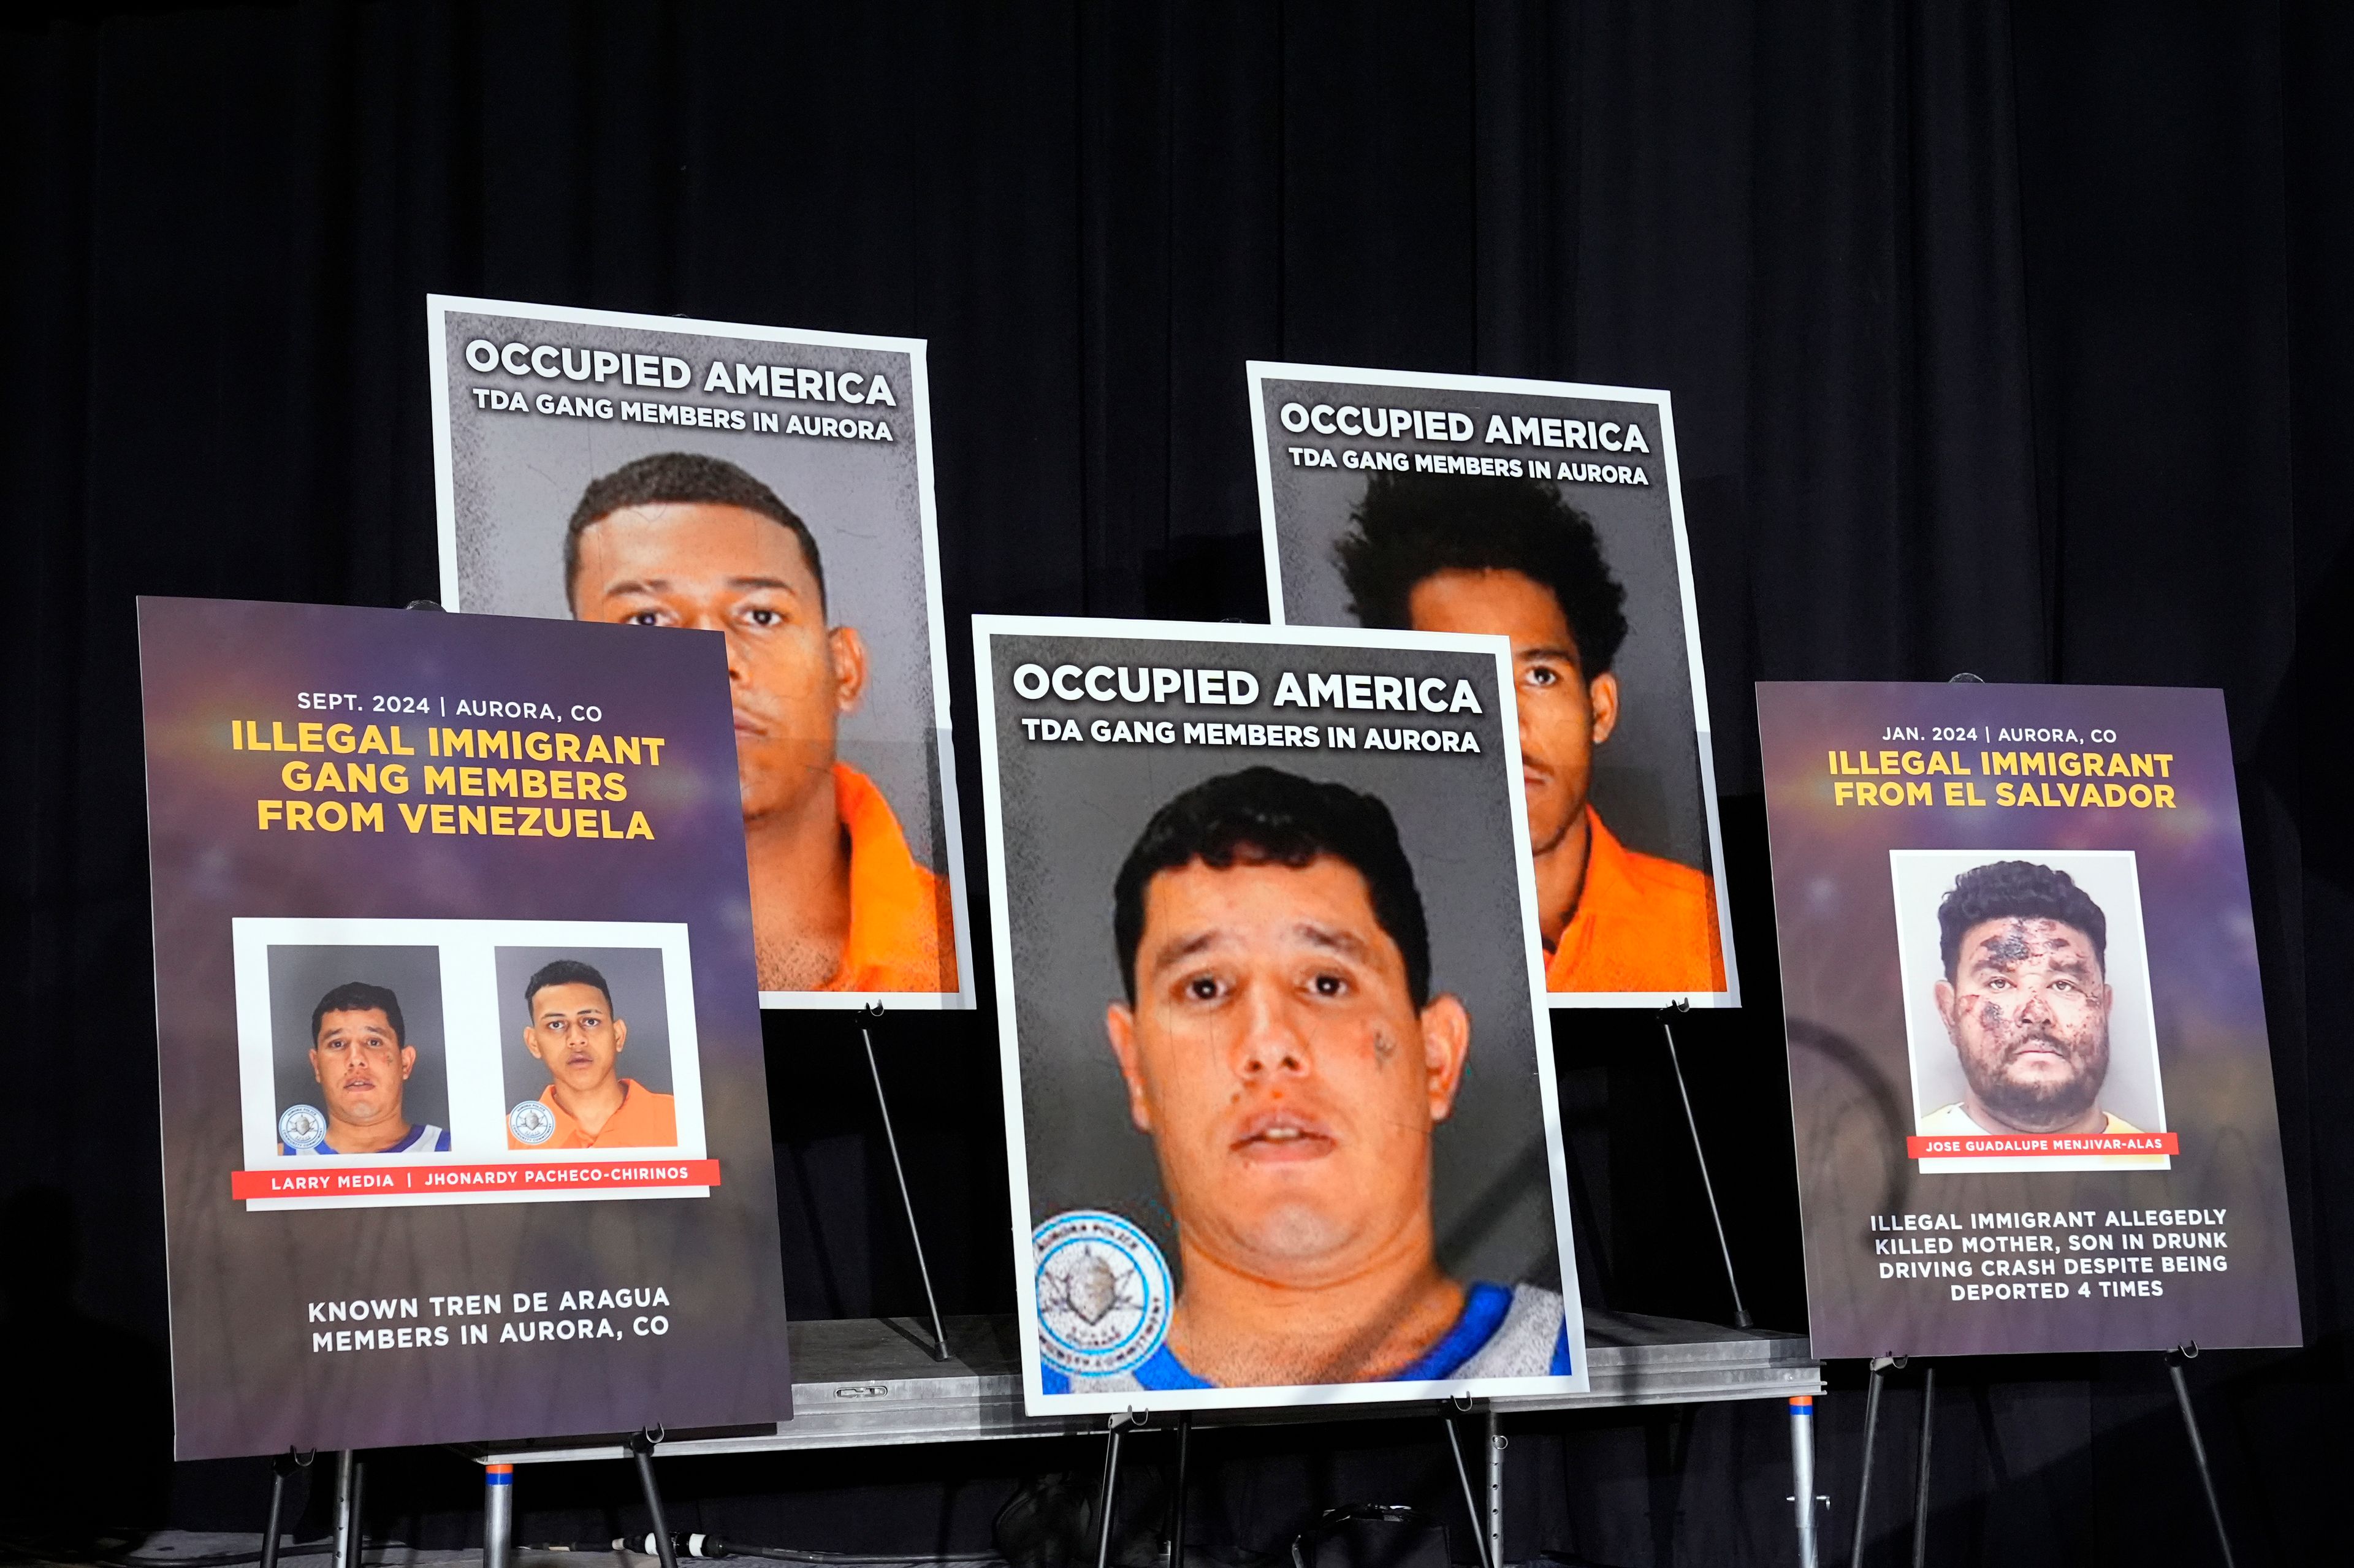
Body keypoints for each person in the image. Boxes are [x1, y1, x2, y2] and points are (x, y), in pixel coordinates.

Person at [1045, 766, 1570, 1395]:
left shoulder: (1574, 1370)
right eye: (1206, 986)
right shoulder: (1054, 1380)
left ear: (1436, 1057)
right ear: (1135, 1067)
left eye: (1327, 982)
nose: (1268, 1043)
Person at [565, 451, 954, 994]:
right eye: (648, 621)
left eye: (761, 615)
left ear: (846, 668)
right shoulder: (506, 941)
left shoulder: (977, 954)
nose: (711, 655)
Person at [1333, 472, 1723, 994]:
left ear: (1600, 709)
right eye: (1459, 680)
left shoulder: (1706, 928)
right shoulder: (1345, 942)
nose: (1507, 722)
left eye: (1539, 677)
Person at [1919, 861, 2156, 1162]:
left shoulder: (2165, 1167)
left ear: (2105, 1007)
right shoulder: (1901, 1162)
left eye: (2063, 985)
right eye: (1999, 982)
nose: (2036, 1012)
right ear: (1948, 1011)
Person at [508, 959, 677, 1149]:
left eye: (590, 1021)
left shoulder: (680, 1120)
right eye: (556, 1025)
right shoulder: (506, 1140)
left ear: (618, 1035)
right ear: (533, 1043)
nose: (576, 1039)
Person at [285, 981, 449, 1154]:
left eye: (374, 1042)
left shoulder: (457, 1156)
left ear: (405, 1063)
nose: (355, 1059)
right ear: (317, 1065)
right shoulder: (275, 1163)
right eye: (338, 1043)